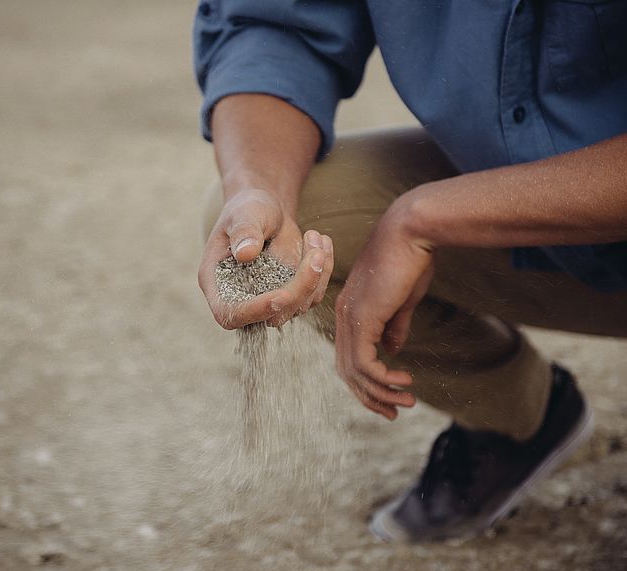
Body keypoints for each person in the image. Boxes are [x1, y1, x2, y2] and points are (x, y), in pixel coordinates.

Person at [193, 0, 627, 542]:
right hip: (529, 197)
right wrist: (258, 186)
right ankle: (518, 418)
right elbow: (276, 25)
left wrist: (425, 219)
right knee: (295, 219)